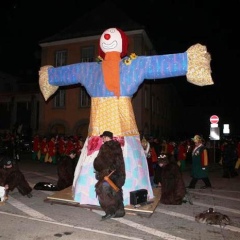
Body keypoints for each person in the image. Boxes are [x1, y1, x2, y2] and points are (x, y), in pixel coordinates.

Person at [39, 27, 213, 206]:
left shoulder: (130, 66)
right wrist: (50, 77)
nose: (107, 38)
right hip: (99, 129)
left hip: (120, 127)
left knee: (116, 163)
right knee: (101, 161)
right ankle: (96, 193)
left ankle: (109, 193)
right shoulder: (92, 69)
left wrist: (188, 61)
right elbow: (68, 73)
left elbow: (158, 64)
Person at [93, 131, 126, 220]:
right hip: (119, 174)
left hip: (108, 174)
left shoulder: (105, 147)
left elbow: (101, 162)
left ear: (107, 137)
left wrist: (96, 165)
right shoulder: (117, 147)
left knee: (103, 190)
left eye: (103, 137)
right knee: (116, 190)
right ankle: (120, 211)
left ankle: (110, 211)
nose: (102, 139)